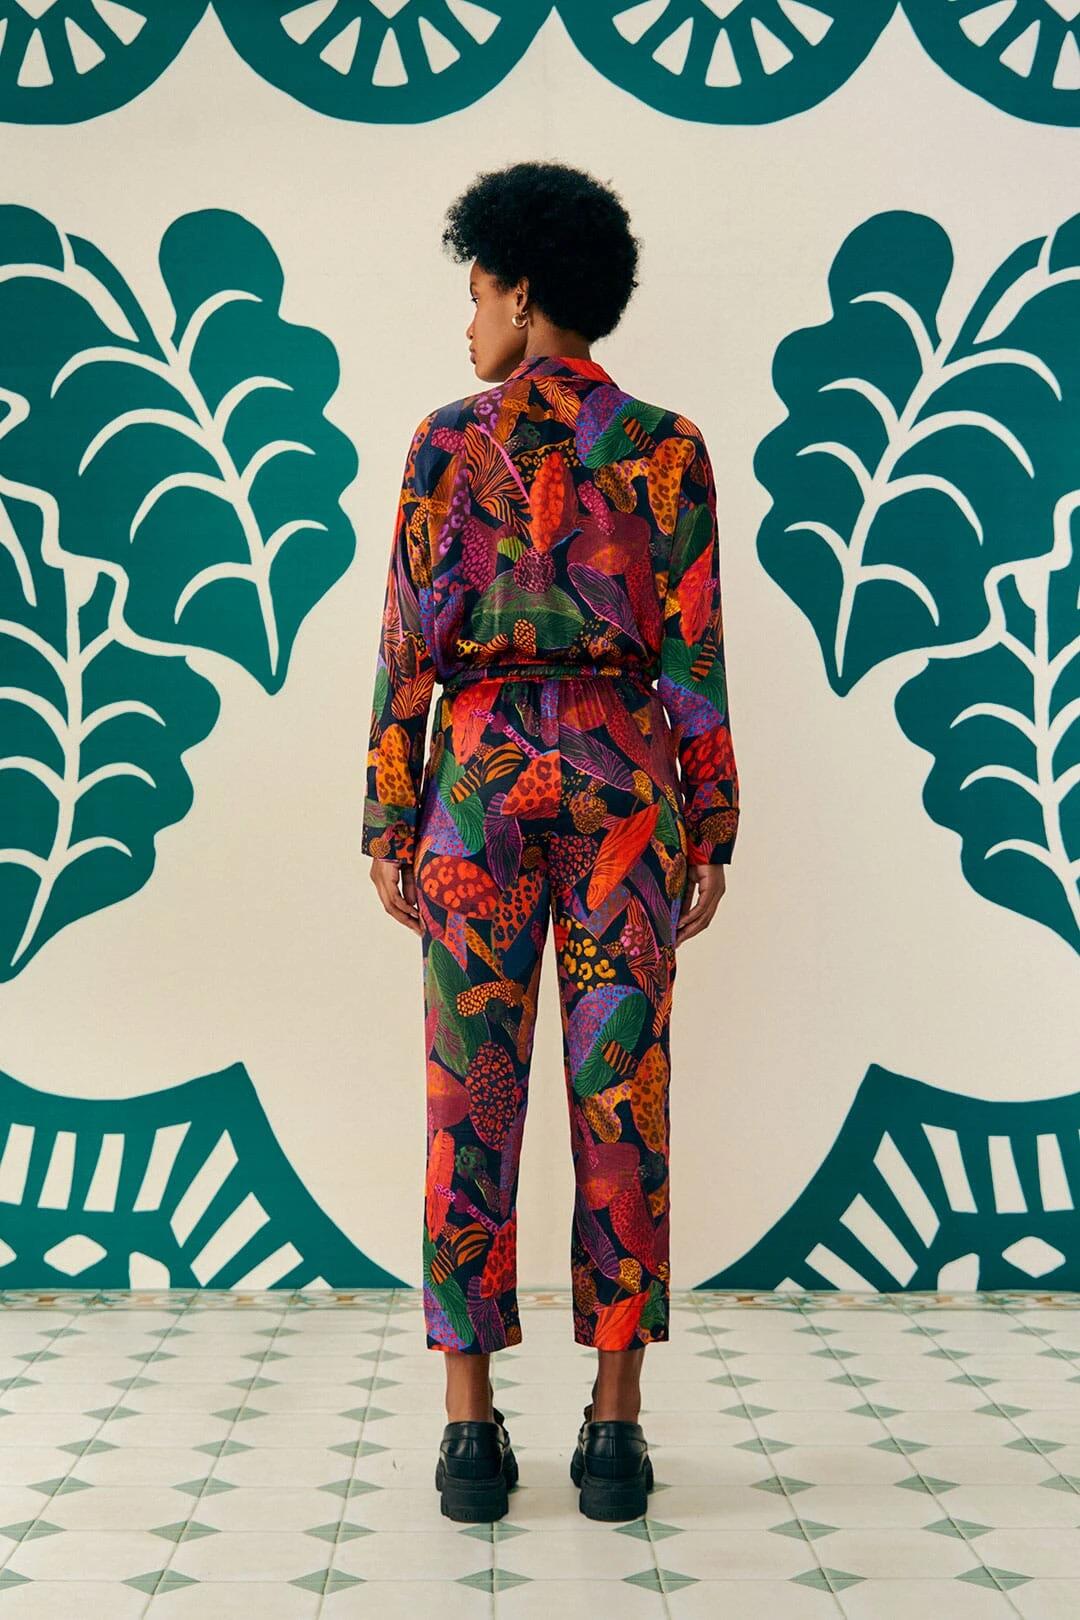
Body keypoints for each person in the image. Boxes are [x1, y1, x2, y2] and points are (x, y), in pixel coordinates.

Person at [361, 160, 739, 1523]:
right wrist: (711, 822)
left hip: (478, 785)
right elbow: (694, 656)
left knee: (468, 1098)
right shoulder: (670, 448)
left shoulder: (442, 444)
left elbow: (409, 647)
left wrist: (391, 810)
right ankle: (617, 1429)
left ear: (522, 293)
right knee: (621, 1093)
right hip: (626, 788)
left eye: (476, 293)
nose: (468, 322)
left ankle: (469, 1431)